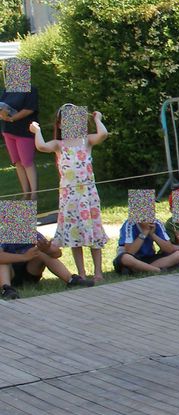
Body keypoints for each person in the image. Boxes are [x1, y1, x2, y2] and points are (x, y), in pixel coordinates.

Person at [29, 107, 108, 284]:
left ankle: (98, 271)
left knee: (94, 232)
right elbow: (41, 146)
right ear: (60, 124)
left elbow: (103, 134)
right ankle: (81, 272)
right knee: (75, 235)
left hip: (88, 196)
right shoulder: (59, 145)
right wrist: (37, 131)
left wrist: (98, 119)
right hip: (70, 198)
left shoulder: (86, 141)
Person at [0, 231, 92, 300]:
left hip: (30, 271)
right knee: (3, 261)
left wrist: (47, 249)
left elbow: (57, 254)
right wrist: (24, 257)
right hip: (7, 273)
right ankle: (6, 289)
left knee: (42, 253)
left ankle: (71, 280)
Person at [0, 62, 40, 201]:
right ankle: (25, 193)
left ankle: (34, 193)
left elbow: (30, 109)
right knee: (17, 162)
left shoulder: (31, 89)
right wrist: (3, 115)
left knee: (27, 161)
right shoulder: (7, 90)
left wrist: (12, 118)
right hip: (8, 131)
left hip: (24, 131)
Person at [113, 218, 179, 274]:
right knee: (126, 258)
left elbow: (169, 249)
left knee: (178, 255)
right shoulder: (129, 223)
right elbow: (130, 251)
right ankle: (157, 270)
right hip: (132, 258)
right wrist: (145, 232)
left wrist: (152, 234)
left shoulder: (157, 223)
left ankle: (142, 269)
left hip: (148, 258)